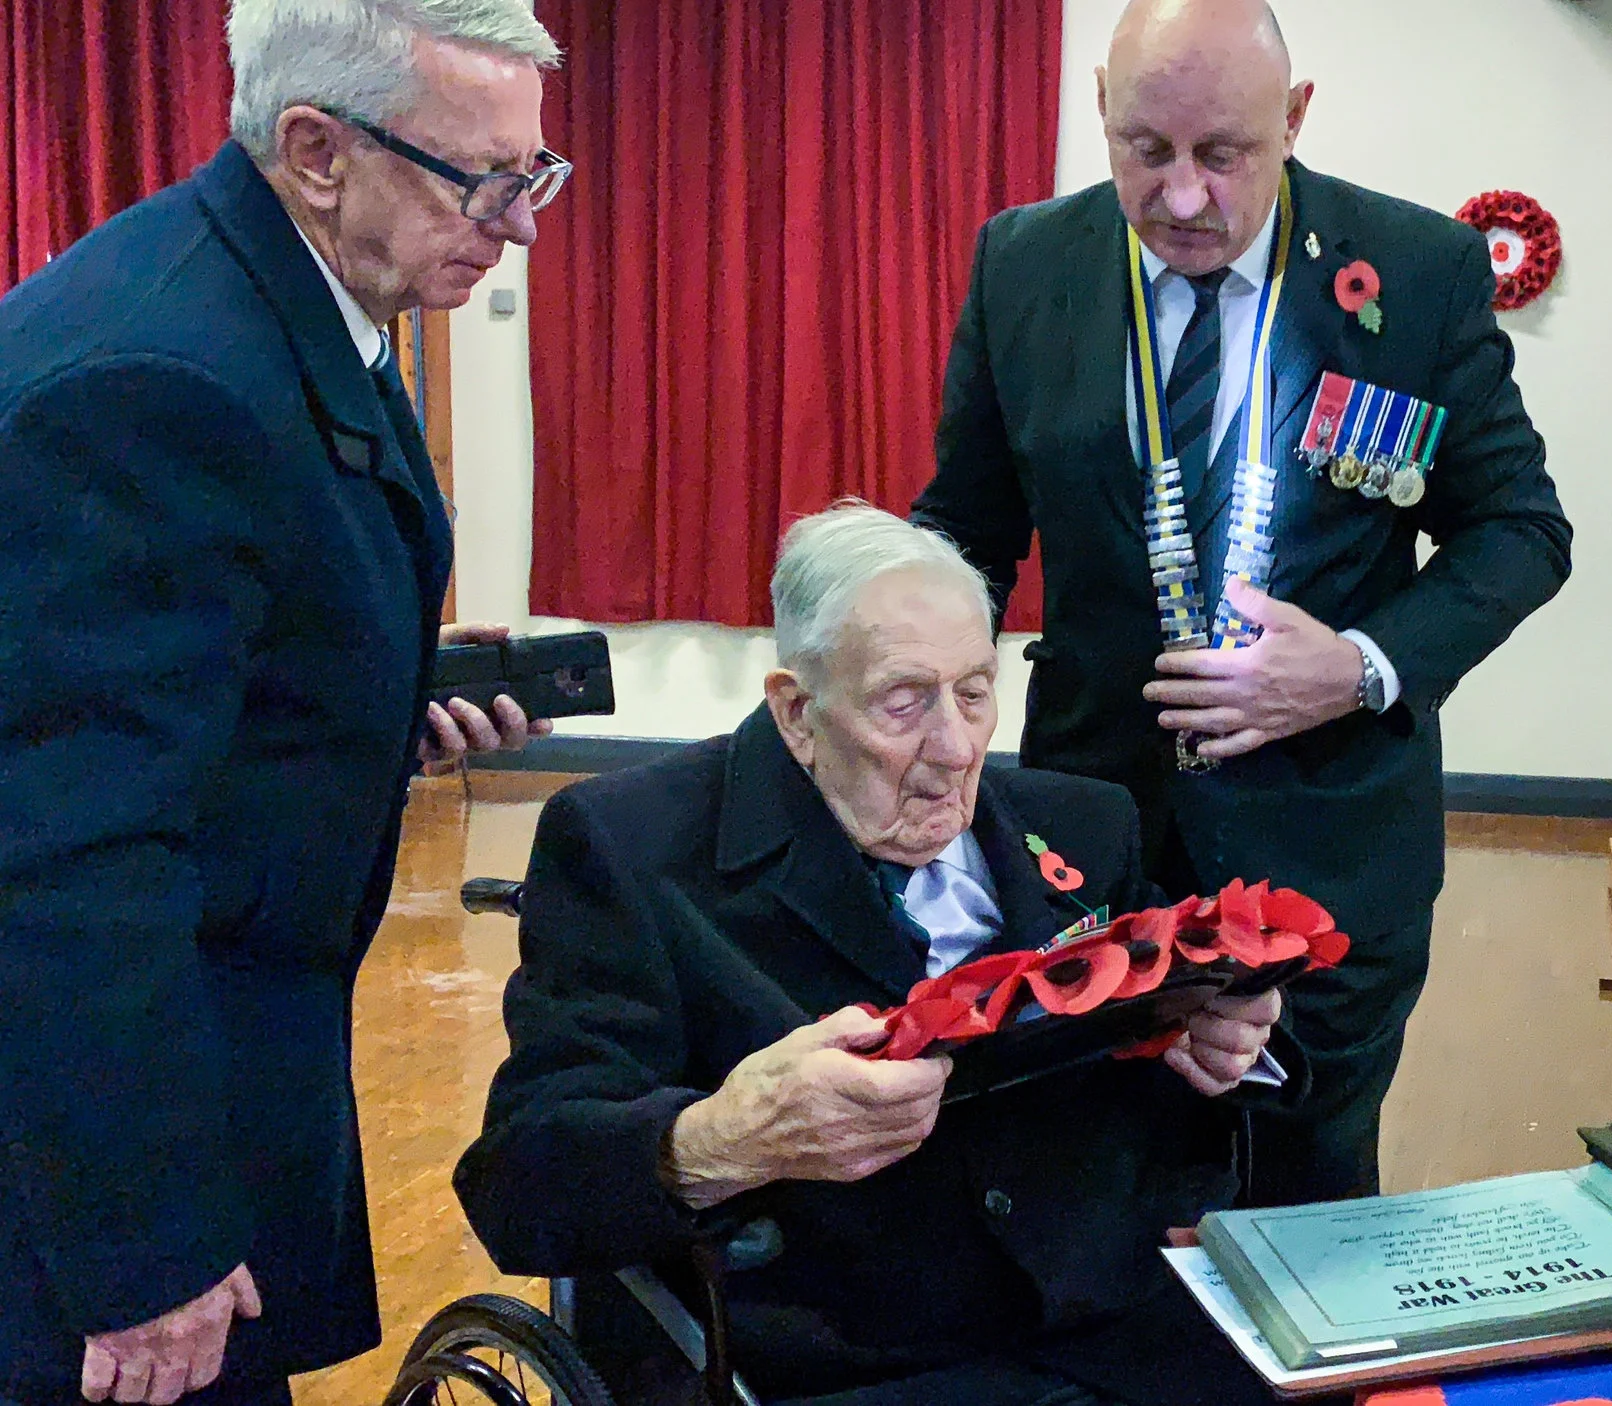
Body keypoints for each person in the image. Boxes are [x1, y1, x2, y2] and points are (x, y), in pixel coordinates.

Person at [914, 0, 1571, 1206]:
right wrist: (901, 669)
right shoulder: (1025, 264)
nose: (1178, 198)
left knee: (1304, 1190)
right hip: (1094, 834)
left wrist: (1362, 662)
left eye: (1222, 155)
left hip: (1330, 845)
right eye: (1144, 152)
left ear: (1295, 120)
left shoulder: (1415, 275)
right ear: (1100, 117)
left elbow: (1520, 531)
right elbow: (966, 528)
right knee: (1093, 1182)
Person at [0, 2, 564, 1400]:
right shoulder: (158, 377)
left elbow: (206, 676)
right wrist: (149, 1250)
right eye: (486, 180)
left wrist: (370, 704)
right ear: (316, 149)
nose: (521, 224)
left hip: (220, 1068)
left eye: (534, 174)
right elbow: (68, 854)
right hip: (105, 1170)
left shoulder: (292, 304)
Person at [456, 505, 1299, 1406]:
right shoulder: (632, 848)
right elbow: (520, 1181)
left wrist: (1219, 1053)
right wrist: (724, 1139)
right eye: (905, 702)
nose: (956, 747)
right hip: (842, 1366)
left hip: (1111, 1343)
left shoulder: (1088, 824)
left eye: (975, 693)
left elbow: (1166, 1116)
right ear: (797, 713)